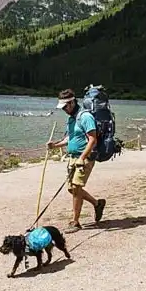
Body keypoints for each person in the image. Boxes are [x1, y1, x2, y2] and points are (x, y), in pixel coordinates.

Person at [47, 89, 106, 233]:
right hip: (73, 157)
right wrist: (55, 145)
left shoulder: (85, 117)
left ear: (72, 102)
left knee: (76, 188)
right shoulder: (72, 118)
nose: (64, 110)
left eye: (65, 107)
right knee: (71, 189)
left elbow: (93, 139)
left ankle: (75, 222)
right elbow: (70, 138)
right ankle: (97, 203)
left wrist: (82, 158)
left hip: (84, 158)